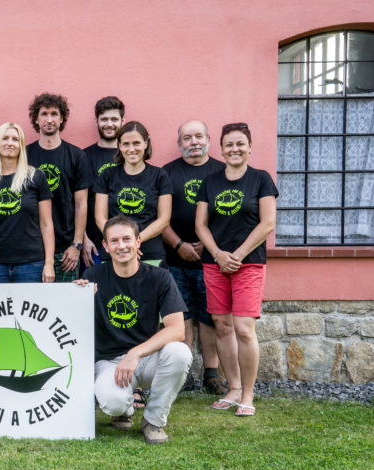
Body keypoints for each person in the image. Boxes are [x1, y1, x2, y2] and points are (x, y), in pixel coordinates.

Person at [76, 215, 191, 444]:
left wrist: (135, 353)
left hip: (145, 358)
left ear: (138, 241)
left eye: (127, 239)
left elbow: (178, 330)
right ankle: (124, 409)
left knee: (180, 353)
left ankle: (153, 420)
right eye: (114, 241)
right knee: (113, 402)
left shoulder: (160, 277)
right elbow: (75, 324)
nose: (121, 246)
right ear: (106, 246)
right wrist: (77, 297)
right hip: (108, 360)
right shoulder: (92, 276)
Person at [195, 122, 278, 417]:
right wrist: (218, 255)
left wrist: (238, 255)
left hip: (249, 263)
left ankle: (248, 394)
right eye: (229, 144)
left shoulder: (261, 179)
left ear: (250, 147)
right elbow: (200, 225)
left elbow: (267, 223)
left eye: (240, 143)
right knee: (222, 325)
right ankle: (232, 388)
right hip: (215, 264)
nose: (234, 149)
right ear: (221, 148)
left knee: (243, 329)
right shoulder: (210, 182)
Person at [162, 120, 228, 394]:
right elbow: (160, 218)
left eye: (198, 136)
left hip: (212, 260)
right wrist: (179, 245)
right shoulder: (167, 173)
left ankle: (211, 374)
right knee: (182, 315)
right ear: (179, 143)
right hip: (175, 259)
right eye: (187, 138)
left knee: (209, 316)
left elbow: (228, 216)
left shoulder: (222, 172)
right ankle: (185, 372)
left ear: (209, 139)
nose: (194, 142)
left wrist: (209, 246)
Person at [0, 122, 55, 283]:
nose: (10, 143)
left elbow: (46, 224)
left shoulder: (36, 177)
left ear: (21, 145)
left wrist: (49, 263)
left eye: (15, 139)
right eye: (5, 138)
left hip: (31, 264)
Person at [26, 93, 93, 281]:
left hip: (66, 250)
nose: (49, 120)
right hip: (32, 249)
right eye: (44, 114)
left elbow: (81, 204)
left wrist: (77, 245)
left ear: (62, 118)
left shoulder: (76, 156)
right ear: (36, 119)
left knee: (65, 300)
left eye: (54, 114)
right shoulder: (25, 155)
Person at [95, 121, 172, 267]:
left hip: (149, 253)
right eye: (126, 144)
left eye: (136, 143)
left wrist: (134, 242)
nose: (131, 149)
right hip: (115, 252)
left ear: (145, 143)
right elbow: (100, 218)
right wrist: (121, 243)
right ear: (119, 146)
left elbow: (164, 219)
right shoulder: (107, 175)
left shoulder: (160, 175)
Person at [82, 96, 125, 271]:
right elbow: (77, 202)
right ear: (97, 121)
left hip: (126, 244)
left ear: (122, 121)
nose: (109, 124)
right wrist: (83, 239)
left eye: (114, 119)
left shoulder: (130, 155)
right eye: (104, 119)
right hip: (93, 245)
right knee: (94, 288)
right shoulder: (84, 156)